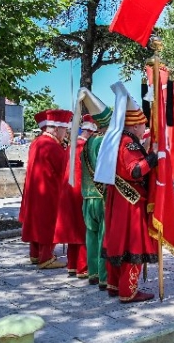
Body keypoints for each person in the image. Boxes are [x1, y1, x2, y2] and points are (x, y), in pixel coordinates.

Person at [96, 83, 158, 302]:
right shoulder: (129, 143)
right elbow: (135, 170)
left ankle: (114, 285)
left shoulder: (117, 140)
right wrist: (155, 157)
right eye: (143, 125)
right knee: (132, 243)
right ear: (135, 126)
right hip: (130, 202)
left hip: (117, 198)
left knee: (116, 242)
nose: (144, 129)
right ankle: (128, 290)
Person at [19, 109, 73, 269]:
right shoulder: (51, 145)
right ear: (57, 129)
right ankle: (46, 257)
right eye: (65, 130)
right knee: (48, 223)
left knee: (36, 222)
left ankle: (35, 254)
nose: (66, 133)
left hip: (35, 190)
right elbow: (65, 168)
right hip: (49, 191)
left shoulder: (37, 142)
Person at [54, 114, 98, 278]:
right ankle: (82, 266)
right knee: (82, 228)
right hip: (79, 192)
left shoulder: (72, 145)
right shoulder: (84, 146)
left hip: (68, 191)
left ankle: (72, 265)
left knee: (73, 228)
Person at [78, 88, 113, 290]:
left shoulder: (89, 140)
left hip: (87, 196)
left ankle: (92, 273)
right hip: (102, 196)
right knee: (103, 236)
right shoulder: (104, 142)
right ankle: (103, 276)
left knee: (90, 234)